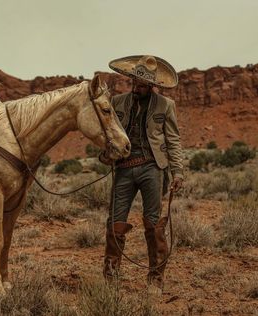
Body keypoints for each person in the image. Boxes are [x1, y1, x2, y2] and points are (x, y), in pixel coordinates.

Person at [100, 55, 184, 294]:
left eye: (143, 85)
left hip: (152, 168)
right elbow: (107, 132)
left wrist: (177, 171)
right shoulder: (117, 102)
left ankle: (156, 279)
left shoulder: (165, 105)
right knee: (115, 223)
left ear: (152, 86)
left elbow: (173, 140)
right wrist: (105, 154)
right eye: (135, 83)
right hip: (124, 168)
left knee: (154, 224)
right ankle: (110, 277)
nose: (137, 87)